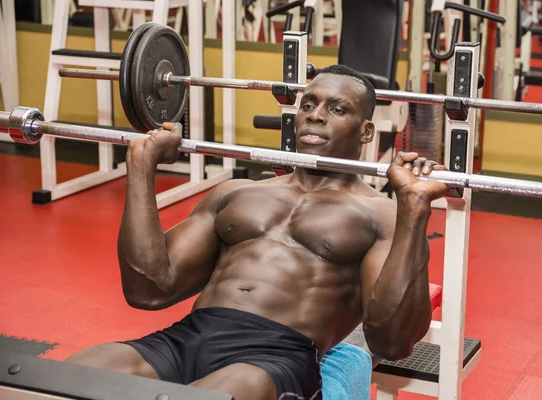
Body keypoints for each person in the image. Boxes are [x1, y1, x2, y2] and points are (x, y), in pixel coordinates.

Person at [66, 64, 449, 400]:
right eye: (308, 104)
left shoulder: (381, 215)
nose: (315, 116)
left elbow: (392, 341)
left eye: (337, 109)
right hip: (187, 337)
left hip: (276, 356)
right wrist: (141, 165)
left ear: (366, 132)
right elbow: (148, 289)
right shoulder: (236, 193)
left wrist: (413, 208)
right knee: (73, 375)